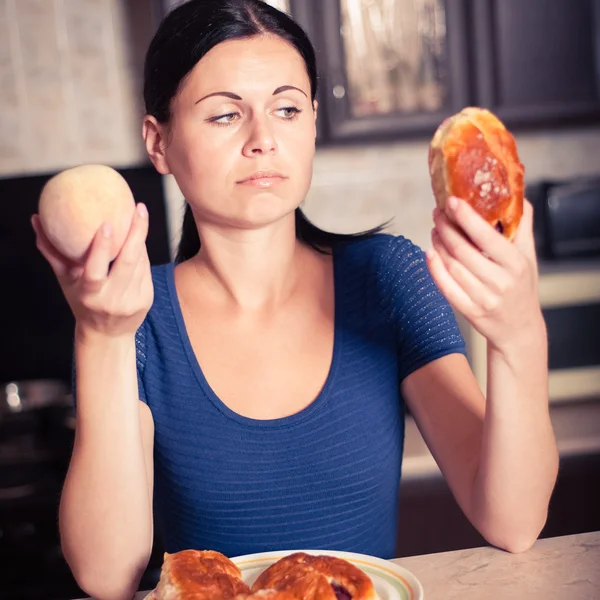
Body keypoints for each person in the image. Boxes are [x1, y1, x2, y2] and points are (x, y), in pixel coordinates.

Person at [31, 1, 558, 599]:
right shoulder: (131, 313)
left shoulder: (387, 278)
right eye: (225, 116)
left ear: (311, 121)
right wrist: (101, 336)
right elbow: (107, 575)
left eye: (285, 109)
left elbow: (513, 523)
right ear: (159, 143)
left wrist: (519, 336)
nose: (263, 140)